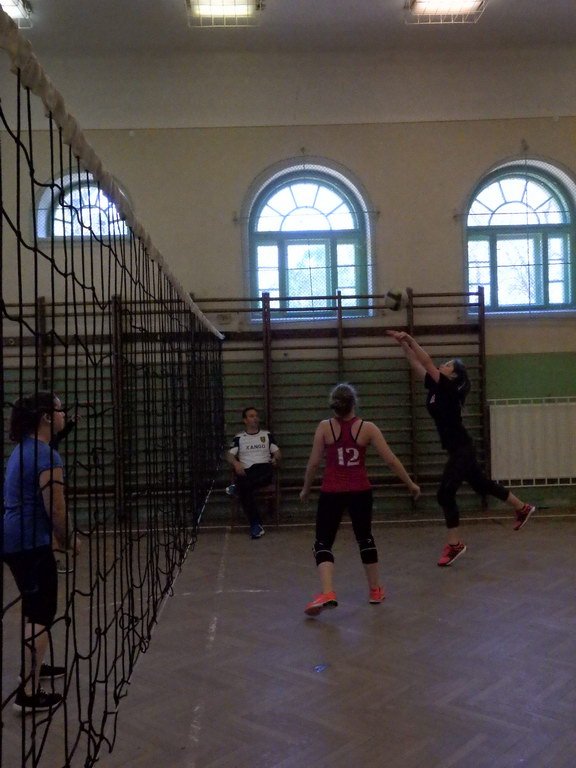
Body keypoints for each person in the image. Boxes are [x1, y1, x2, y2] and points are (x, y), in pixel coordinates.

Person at [387, 330, 535, 567]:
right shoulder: (435, 387)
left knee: (445, 494)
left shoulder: (447, 387)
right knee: (481, 484)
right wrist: (403, 344)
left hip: (462, 449)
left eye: (447, 365)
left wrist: (412, 339)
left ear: (453, 375)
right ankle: (522, 507)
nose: (442, 365)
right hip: (459, 449)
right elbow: (417, 364)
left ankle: (455, 544)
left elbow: (426, 360)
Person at [299, 383, 420, 616]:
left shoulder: (325, 427)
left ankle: (328, 592)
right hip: (360, 492)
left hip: (331, 492)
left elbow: (313, 463)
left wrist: (306, 489)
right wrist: (410, 483)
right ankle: (375, 590)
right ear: (354, 403)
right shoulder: (367, 428)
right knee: (365, 538)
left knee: (323, 542)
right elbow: (391, 459)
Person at [3, 391, 79, 714]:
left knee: (35, 609)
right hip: (29, 543)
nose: (63, 415)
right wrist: (69, 539)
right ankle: (29, 693)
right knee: (42, 612)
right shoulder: (46, 456)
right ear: (47, 417)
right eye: (60, 411)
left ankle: (34, 668)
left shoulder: (23, 449)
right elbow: (56, 509)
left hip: (16, 540)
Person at [226, 406, 281, 539]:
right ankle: (255, 524)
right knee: (245, 488)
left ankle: (237, 487)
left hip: (263, 469)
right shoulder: (239, 437)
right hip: (247, 471)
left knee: (244, 485)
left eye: (256, 416)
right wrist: (236, 463)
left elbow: (277, 452)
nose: (255, 418)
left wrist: (275, 458)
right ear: (245, 420)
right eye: (251, 416)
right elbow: (229, 455)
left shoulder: (266, 435)